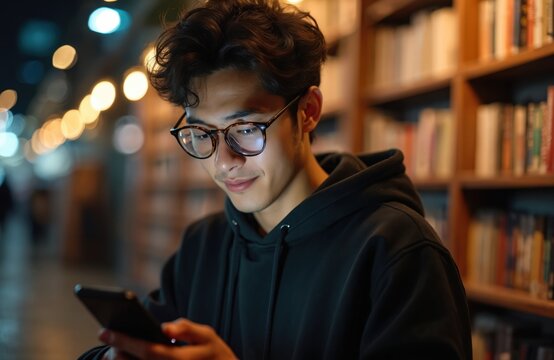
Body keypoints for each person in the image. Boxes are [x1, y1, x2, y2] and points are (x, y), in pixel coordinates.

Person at [80, 0, 472, 358]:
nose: (224, 161)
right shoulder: (205, 244)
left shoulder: (398, 251)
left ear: (308, 112)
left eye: (246, 128)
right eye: (202, 135)